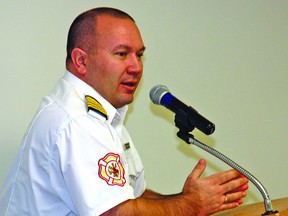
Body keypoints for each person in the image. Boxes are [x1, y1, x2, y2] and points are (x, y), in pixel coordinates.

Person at [0, 7, 248, 215]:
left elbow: (133, 199)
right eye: (122, 54)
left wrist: (188, 199)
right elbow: (116, 213)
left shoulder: (104, 116)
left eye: (139, 55)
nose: (136, 67)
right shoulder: (77, 120)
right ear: (81, 61)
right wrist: (192, 205)